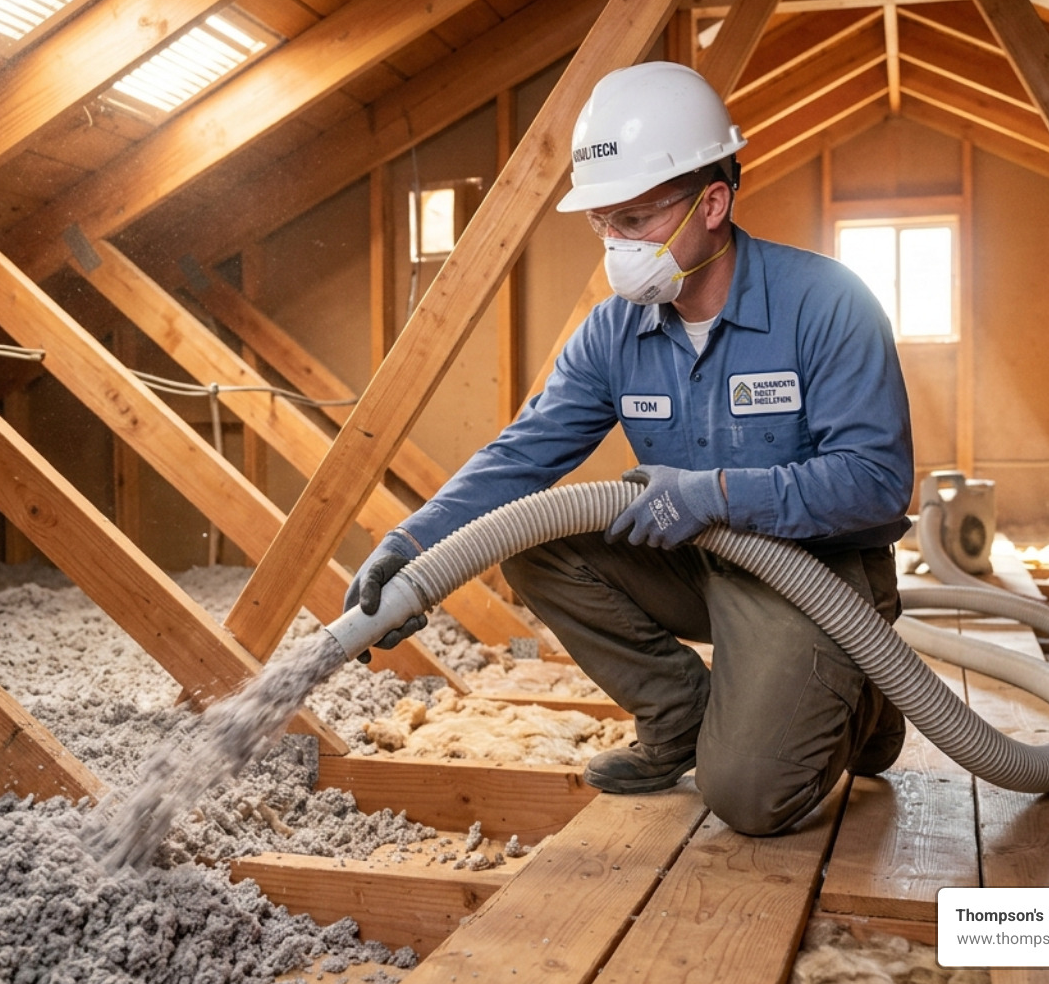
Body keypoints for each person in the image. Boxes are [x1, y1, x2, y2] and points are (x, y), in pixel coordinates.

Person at [346, 61, 914, 836]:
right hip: (697, 561)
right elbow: (522, 458)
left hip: (817, 573)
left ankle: (866, 697)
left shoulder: (825, 303)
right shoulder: (613, 333)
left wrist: (713, 494)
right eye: (602, 224)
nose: (616, 245)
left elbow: (876, 482)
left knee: (748, 798)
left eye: (636, 220)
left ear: (712, 203)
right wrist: (411, 548)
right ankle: (679, 711)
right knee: (533, 541)